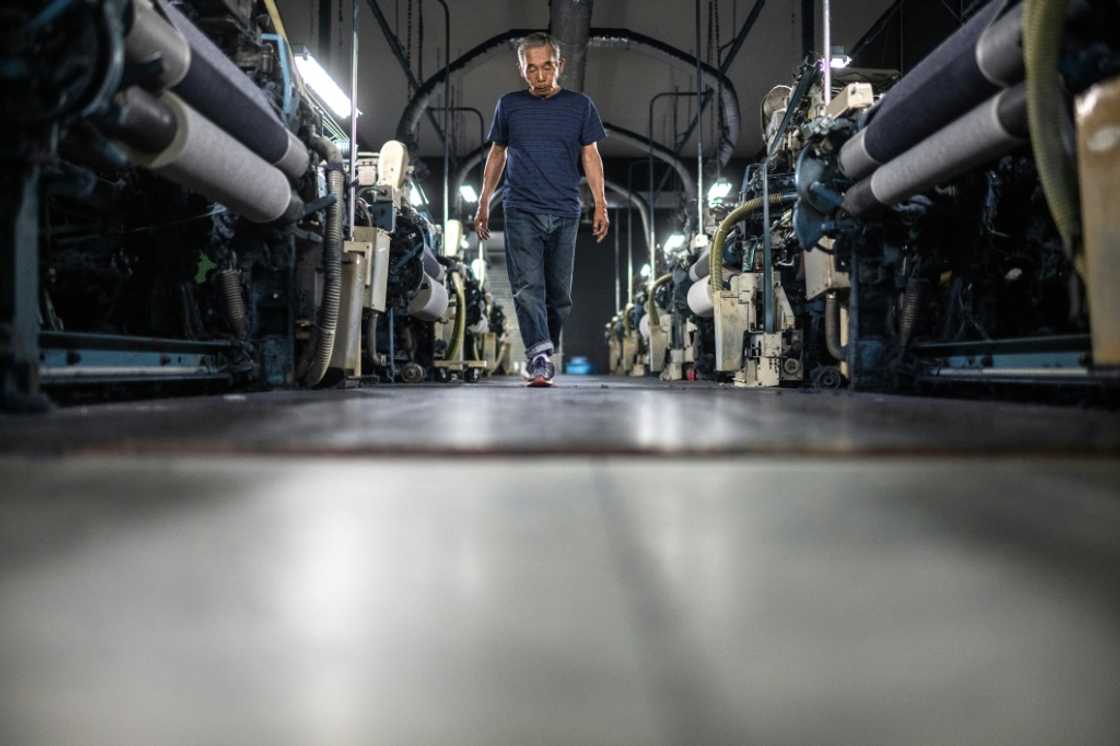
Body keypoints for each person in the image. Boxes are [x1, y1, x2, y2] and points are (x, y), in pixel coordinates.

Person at [474, 32, 609, 387]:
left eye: (546, 66)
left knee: (559, 295)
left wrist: (600, 203)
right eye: (531, 69)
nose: (539, 75)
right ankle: (539, 357)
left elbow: (590, 155)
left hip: (565, 210)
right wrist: (484, 200)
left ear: (559, 65)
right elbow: (497, 154)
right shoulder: (509, 105)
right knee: (526, 287)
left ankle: (542, 351)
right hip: (521, 209)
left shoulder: (580, 106)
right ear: (522, 70)